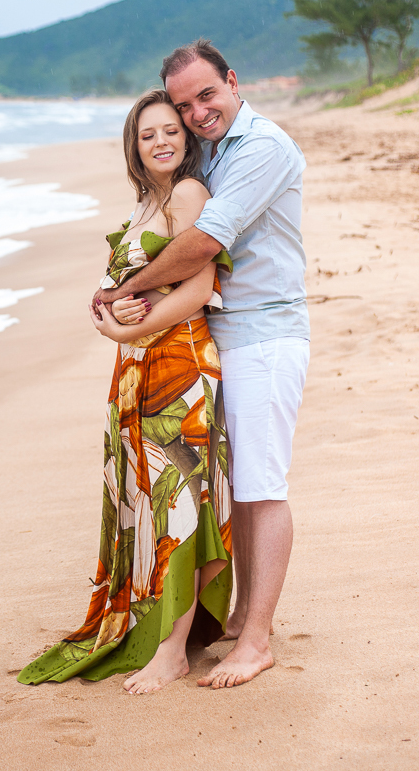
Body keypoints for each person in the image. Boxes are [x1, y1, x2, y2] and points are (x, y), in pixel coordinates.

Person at [94, 39, 310, 689]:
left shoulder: (262, 148)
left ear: (233, 82)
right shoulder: (210, 149)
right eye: (185, 105)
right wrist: (119, 291)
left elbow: (205, 243)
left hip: (265, 334)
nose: (196, 113)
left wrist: (124, 294)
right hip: (221, 338)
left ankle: (258, 640)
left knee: (261, 485)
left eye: (205, 96)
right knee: (235, 483)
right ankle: (243, 614)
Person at [18, 88, 235, 694]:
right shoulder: (147, 202)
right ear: (134, 147)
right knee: (146, 503)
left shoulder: (191, 195)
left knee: (181, 505)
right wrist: (110, 313)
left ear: (187, 138)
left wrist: (123, 324)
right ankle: (161, 630)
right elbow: (125, 288)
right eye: (148, 135)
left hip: (181, 369)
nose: (161, 141)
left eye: (171, 130)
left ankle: (172, 651)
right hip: (136, 372)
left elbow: (197, 290)